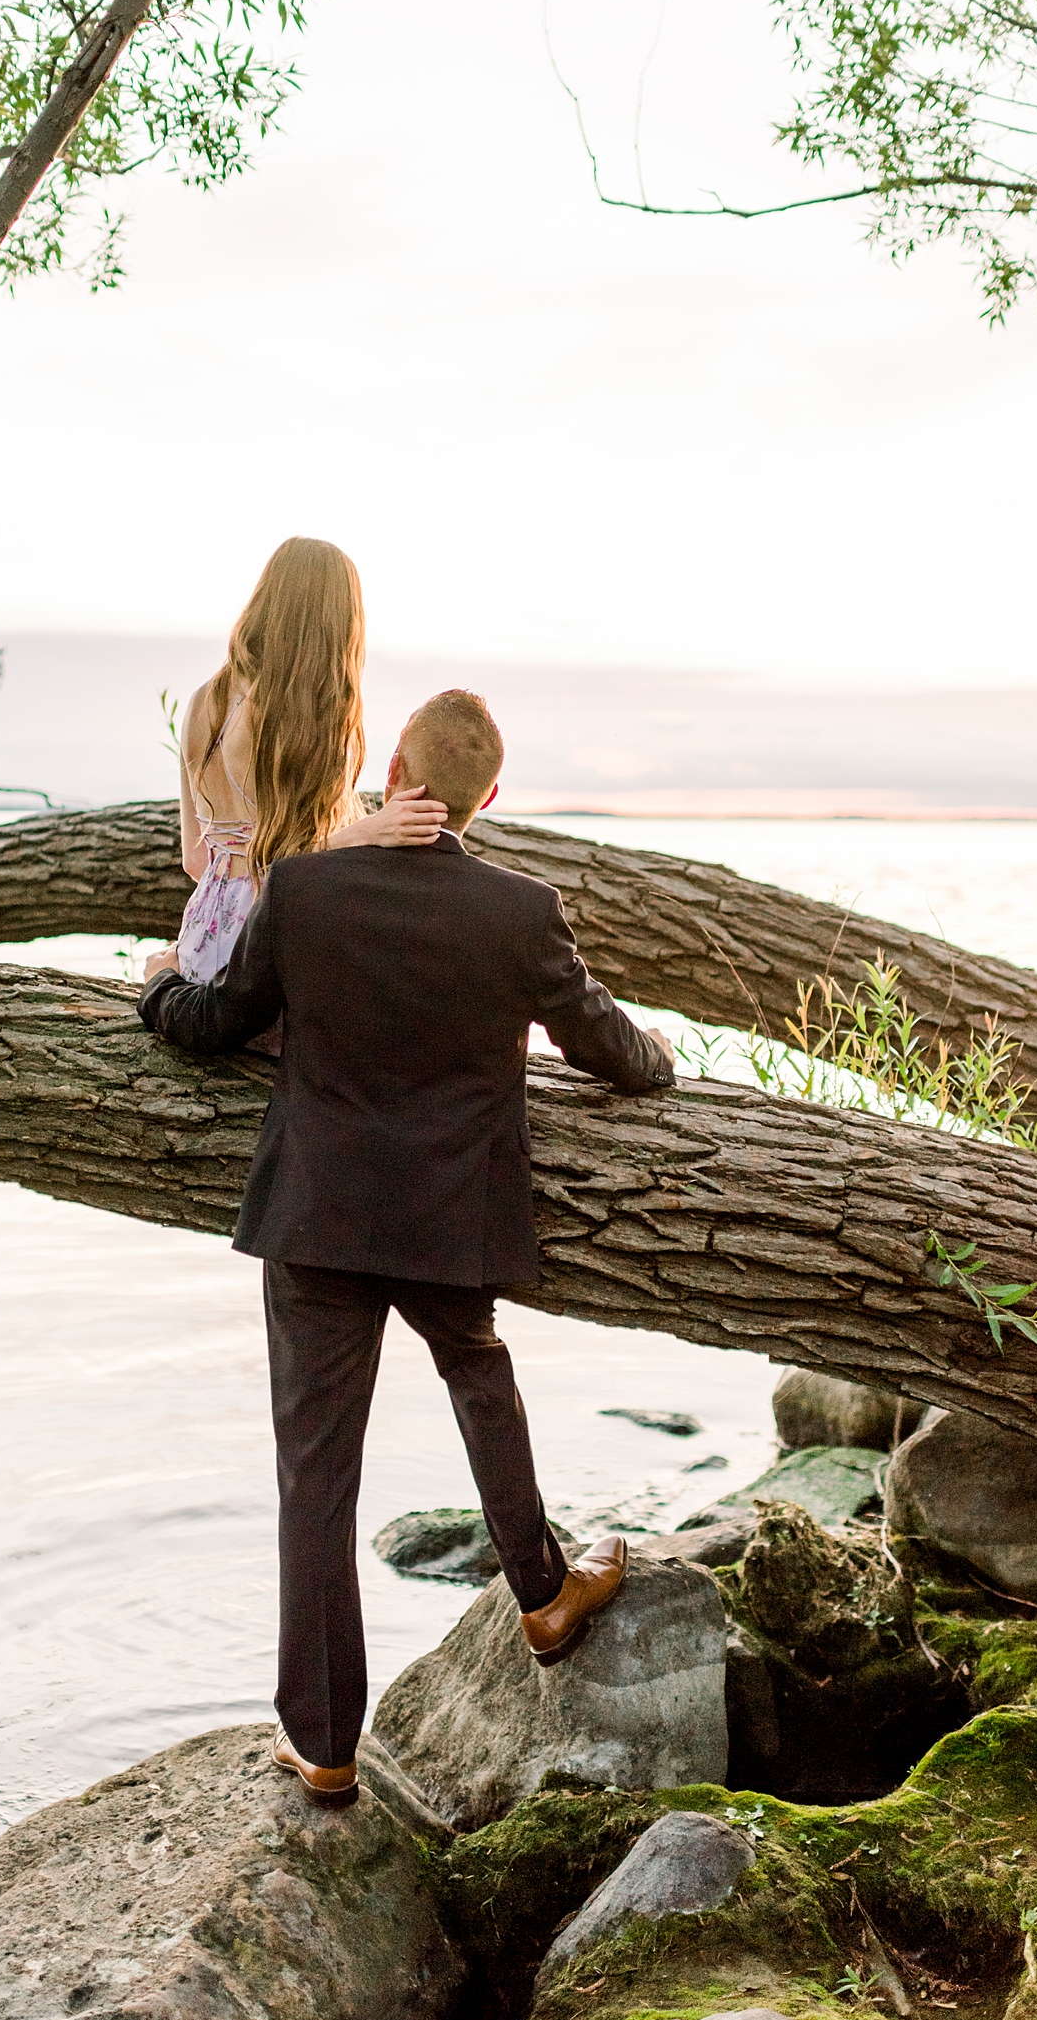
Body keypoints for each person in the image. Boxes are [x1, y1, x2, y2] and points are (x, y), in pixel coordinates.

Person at [138, 687, 677, 1809]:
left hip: (321, 1217)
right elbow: (610, 1050)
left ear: (392, 768)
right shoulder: (521, 911)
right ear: (488, 799)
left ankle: (325, 1744)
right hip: (448, 1218)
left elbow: (213, 1025)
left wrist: (158, 989)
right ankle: (541, 1595)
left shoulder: (309, 888)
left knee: (316, 1483)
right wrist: (661, 1054)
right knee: (481, 1376)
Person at [147, 536, 447, 991]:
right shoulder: (298, 718)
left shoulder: (202, 701)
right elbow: (280, 868)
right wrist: (369, 831)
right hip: (260, 953)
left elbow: (196, 860)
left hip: (200, 943)